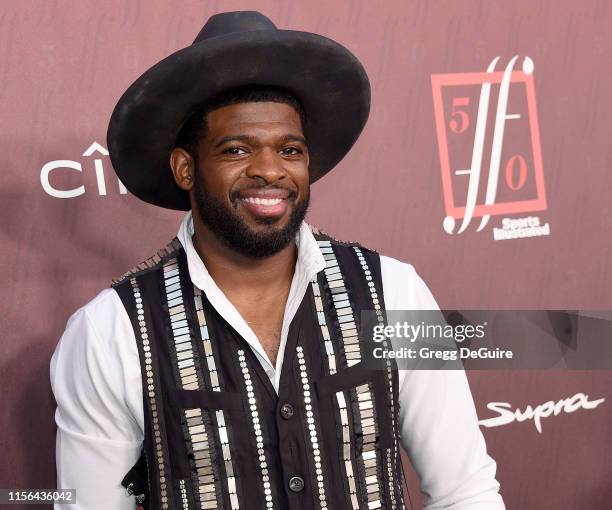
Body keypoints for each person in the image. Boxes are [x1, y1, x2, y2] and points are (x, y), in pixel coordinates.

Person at [50, 10, 505, 510]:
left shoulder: (395, 291)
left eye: (289, 149)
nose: (269, 170)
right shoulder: (109, 331)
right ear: (185, 169)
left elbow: (465, 489)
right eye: (237, 149)